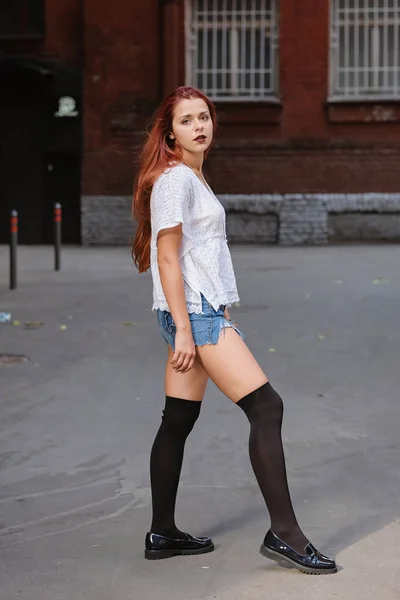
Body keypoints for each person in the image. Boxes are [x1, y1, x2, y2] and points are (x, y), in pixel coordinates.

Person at [132, 86, 337, 575]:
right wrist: (189, 327)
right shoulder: (176, 180)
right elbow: (166, 254)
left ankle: (162, 532)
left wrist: (213, 312)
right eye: (186, 120)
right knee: (267, 407)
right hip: (193, 315)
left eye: (204, 117)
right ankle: (285, 534)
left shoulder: (191, 177)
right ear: (169, 133)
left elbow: (194, 255)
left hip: (200, 312)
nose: (199, 126)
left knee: (177, 419)